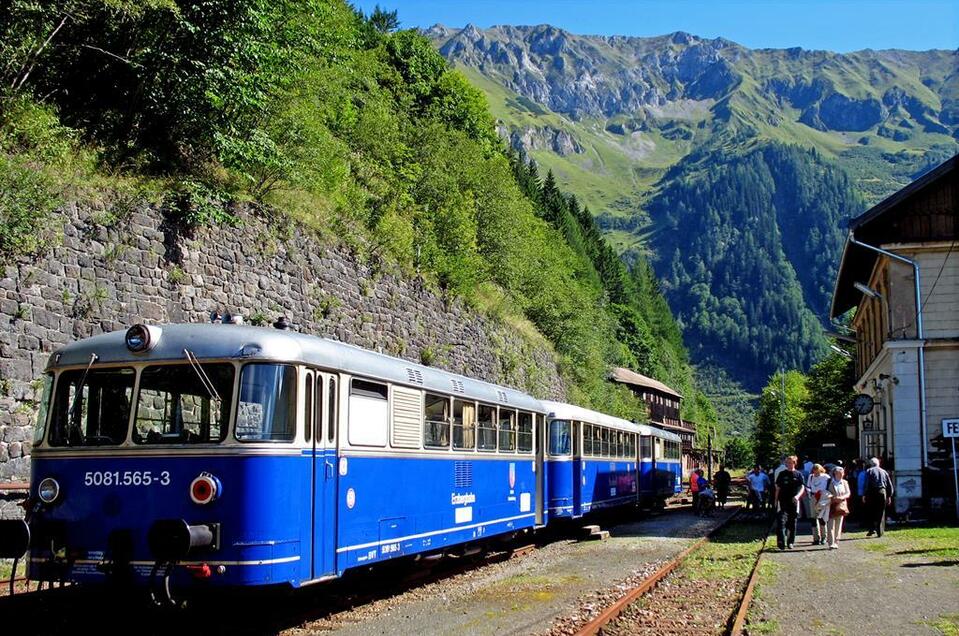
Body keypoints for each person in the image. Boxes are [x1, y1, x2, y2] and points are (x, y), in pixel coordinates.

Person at [775, 455, 805, 550]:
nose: (788, 464)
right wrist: (775, 500)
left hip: (793, 502)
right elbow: (778, 488)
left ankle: (790, 542)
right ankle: (781, 542)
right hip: (782, 501)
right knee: (781, 522)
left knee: (792, 523)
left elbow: (802, 487)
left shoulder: (798, 474)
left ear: (794, 463)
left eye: (790, 462)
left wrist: (797, 496)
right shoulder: (782, 474)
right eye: (787, 462)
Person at [862, 457, 894, 537]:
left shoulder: (869, 471)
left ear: (871, 464)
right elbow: (889, 484)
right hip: (882, 491)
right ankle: (880, 531)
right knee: (881, 511)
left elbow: (866, 483)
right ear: (878, 464)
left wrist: (864, 494)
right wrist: (889, 496)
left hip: (871, 492)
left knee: (871, 510)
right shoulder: (884, 472)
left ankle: (871, 529)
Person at [825, 466, 851, 549]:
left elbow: (848, 493)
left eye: (842, 473)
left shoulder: (845, 482)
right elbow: (825, 491)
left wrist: (842, 497)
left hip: (841, 505)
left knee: (838, 524)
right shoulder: (829, 482)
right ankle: (831, 542)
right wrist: (831, 497)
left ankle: (836, 541)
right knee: (830, 524)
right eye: (839, 473)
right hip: (830, 504)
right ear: (835, 473)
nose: (841, 475)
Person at [806, 464, 830, 545]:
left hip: (822, 497)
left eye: (817, 472)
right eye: (814, 472)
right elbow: (808, 486)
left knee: (822, 518)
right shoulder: (811, 477)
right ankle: (816, 537)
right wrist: (809, 493)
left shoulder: (826, 477)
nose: (816, 474)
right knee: (813, 518)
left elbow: (829, 487)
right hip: (813, 497)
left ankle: (824, 537)